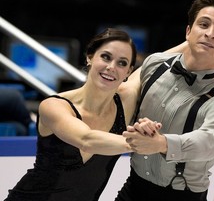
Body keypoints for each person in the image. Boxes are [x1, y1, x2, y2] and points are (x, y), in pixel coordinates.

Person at [115, 0, 214, 201]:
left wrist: (163, 143)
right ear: (188, 32)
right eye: (203, 24)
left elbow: (213, 142)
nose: (210, 33)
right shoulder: (155, 64)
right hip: (132, 188)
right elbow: (124, 99)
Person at [4, 28, 160, 201]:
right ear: (90, 57)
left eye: (122, 63)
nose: (111, 67)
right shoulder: (53, 105)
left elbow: (157, 62)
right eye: (106, 57)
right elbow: (87, 140)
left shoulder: (125, 100)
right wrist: (146, 143)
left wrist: (193, 38)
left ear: (129, 71)